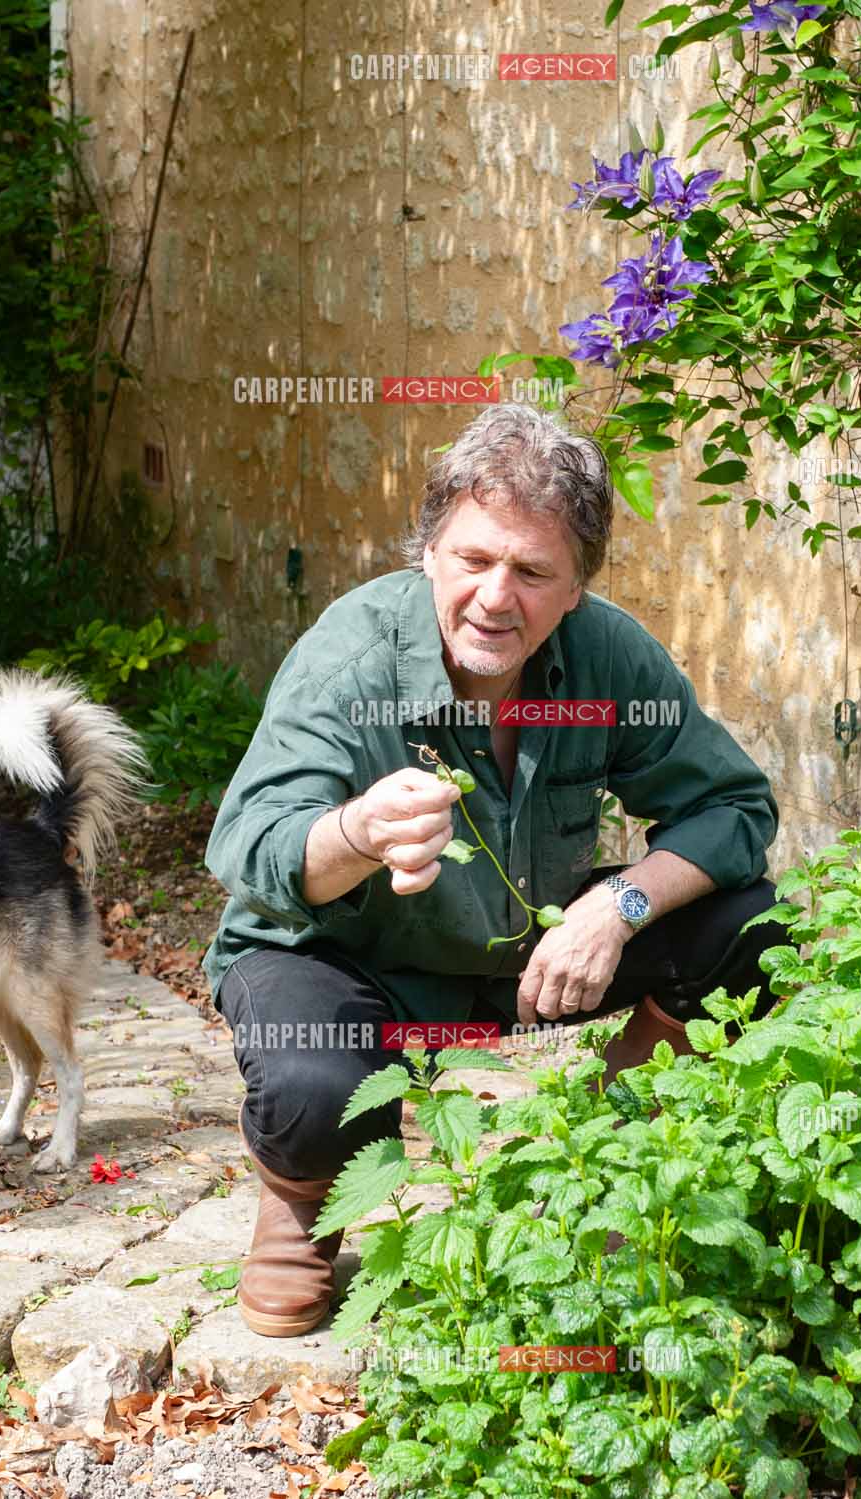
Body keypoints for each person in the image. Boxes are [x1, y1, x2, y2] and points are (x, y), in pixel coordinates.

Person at [202, 403, 788, 1337]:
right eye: (473, 559)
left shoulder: (607, 657)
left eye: (532, 572)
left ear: (575, 589)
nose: (495, 597)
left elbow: (734, 809)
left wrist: (618, 905)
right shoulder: (350, 656)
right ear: (429, 553)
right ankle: (301, 1208)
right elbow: (247, 848)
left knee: (752, 930)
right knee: (316, 1087)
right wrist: (357, 831)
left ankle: (608, 1159)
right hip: (347, 958)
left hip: (528, 958)